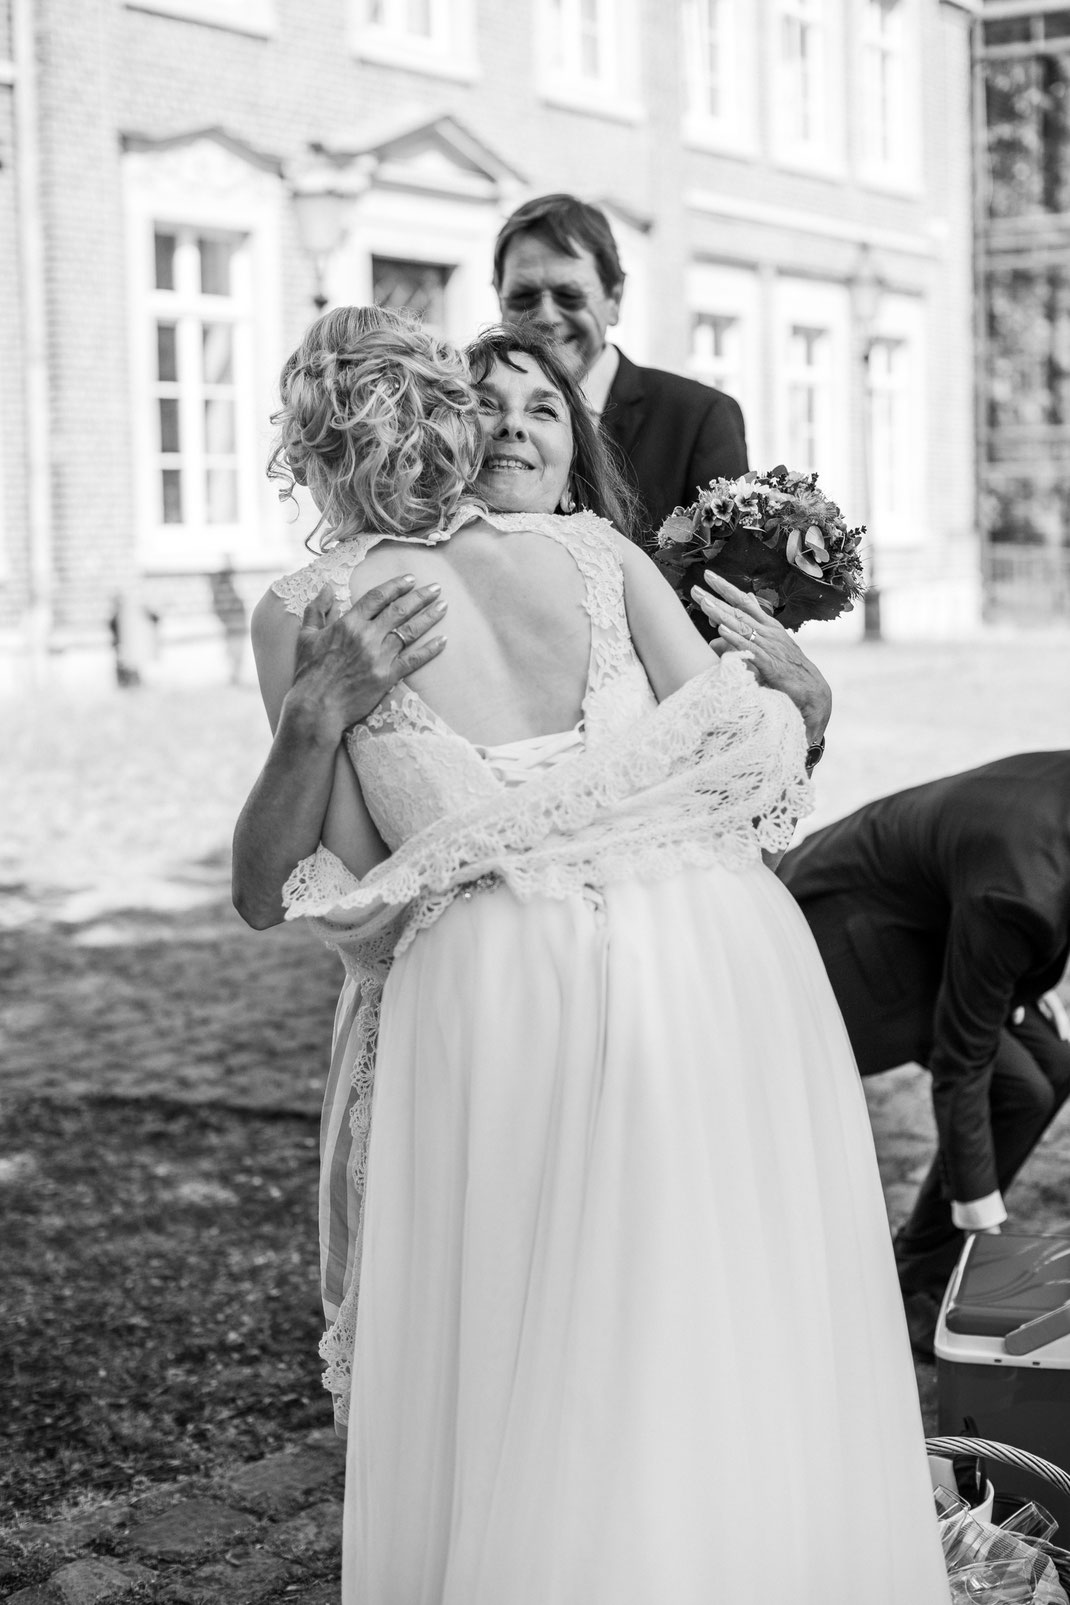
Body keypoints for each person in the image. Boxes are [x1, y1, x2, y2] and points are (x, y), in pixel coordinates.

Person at [233, 306, 949, 1603]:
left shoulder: (316, 609)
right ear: (447, 421)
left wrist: (325, 723)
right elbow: (744, 754)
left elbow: (349, 891)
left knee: (547, 1348)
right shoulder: (591, 555)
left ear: (307, 448)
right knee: (702, 1322)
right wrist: (787, 711)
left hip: (514, 990)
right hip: (716, 956)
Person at [778, 753, 1070, 1356]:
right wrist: (987, 1225)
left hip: (943, 917)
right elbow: (965, 1062)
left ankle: (920, 1266)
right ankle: (918, 1281)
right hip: (855, 931)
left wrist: (1026, 988)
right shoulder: (1019, 892)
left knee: (1055, 1067)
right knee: (1018, 1088)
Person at [493, 192, 748, 539]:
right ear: (499, 297)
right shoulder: (462, 416)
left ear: (614, 298)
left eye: (570, 296)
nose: (546, 317)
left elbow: (728, 582)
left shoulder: (699, 419)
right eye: (524, 297)